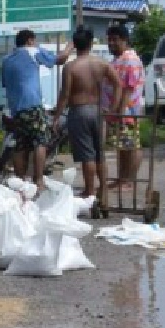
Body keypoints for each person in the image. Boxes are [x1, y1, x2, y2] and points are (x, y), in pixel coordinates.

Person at [54, 27, 122, 215]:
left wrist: (57, 116)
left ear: (75, 45)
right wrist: (113, 109)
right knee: (99, 153)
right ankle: (104, 195)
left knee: (87, 155)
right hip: (99, 111)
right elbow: (118, 84)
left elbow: (65, 95)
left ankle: (90, 192)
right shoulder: (102, 64)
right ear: (91, 44)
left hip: (80, 111)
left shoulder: (71, 67)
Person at [0, 29, 72, 189]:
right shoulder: (32, 51)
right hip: (32, 104)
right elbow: (60, 59)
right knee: (41, 140)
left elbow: (6, 84)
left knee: (21, 143)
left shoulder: (6, 60)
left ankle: (20, 180)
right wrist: (70, 46)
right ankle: (38, 179)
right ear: (30, 41)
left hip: (15, 109)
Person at [103, 24, 146, 194]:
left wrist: (121, 111)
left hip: (127, 112)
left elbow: (129, 87)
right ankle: (122, 178)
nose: (111, 43)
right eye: (109, 40)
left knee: (131, 146)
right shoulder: (117, 60)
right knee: (122, 146)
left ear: (125, 40)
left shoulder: (130, 59)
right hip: (118, 112)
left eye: (115, 40)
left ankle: (129, 180)